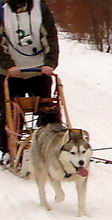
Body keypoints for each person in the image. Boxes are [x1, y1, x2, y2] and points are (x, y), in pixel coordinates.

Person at [0, 0, 58, 163]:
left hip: (39, 69)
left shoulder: (40, 7)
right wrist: (8, 65)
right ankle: (6, 149)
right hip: (9, 73)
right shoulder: (1, 9)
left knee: (48, 108)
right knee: (9, 112)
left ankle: (50, 145)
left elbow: (51, 36)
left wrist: (50, 63)